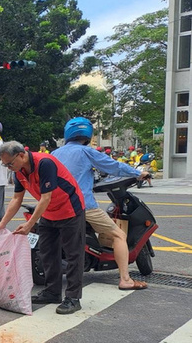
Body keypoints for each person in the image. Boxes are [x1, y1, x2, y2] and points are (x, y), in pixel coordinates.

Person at [53, 117, 149, 290]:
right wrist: (138, 174)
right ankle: (125, 280)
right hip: (82, 205)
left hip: (55, 206)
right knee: (119, 235)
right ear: (88, 134)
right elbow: (113, 166)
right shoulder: (86, 152)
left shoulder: (54, 153)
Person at [0, 141, 86, 315]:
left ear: (21, 155)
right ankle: (52, 292)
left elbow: (46, 197)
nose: (9, 167)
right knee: (47, 252)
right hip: (48, 212)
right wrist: (2, 223)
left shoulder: (45, 163)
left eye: (10, 163)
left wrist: (30, 224)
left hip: (69, 209)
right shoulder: (19, 171)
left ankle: (73, 297)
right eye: (5, 165)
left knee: (73, 254)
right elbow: (16, 199)